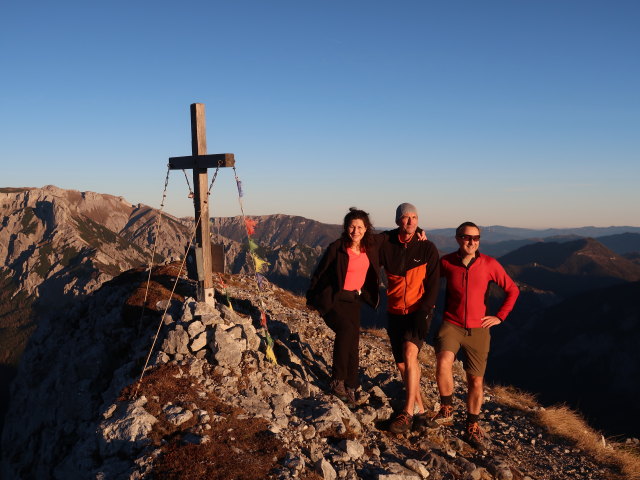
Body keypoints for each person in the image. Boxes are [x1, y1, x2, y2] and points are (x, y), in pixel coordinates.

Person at [427, 221, 519, 449]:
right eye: (467, 238)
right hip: (452, 324)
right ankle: (446, 408)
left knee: (475, 380)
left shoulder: (489, 263)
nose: (472, 242)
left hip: (479, 328)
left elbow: (512, 290)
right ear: (458, 238)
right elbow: (427, 278)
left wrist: (500, 316)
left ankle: (472, 424)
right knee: (443, 362)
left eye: (476, 238)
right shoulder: (447, 261)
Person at [306, 208, 381, 406]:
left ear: (366, 229)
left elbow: (392, 238)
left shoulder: (370, 248)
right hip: (333, 299)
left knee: (353, 344)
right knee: (346, 330)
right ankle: (337, 380)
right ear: (346, 228)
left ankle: (351, 386)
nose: (355, 231)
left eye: (359, 227)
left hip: (353, 300)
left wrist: (418, 234)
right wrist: (311, 297)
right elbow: (320, 272)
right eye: (351, 226)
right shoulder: (337, 247)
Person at [379, 203, 440, 433]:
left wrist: (425, 310)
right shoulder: (386, 244)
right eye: (406, 218)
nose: (411, 222)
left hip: (419, 311)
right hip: (394, 311)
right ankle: (421, 413)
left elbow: (434, 284)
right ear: (397, 221)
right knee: (403, 365)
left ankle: (406, 413)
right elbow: (370, 242)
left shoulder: (427, 249)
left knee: (410, 353)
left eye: (414, 218)